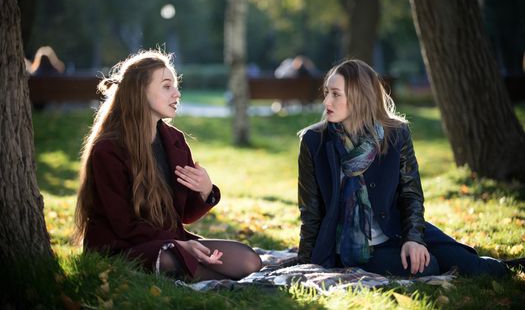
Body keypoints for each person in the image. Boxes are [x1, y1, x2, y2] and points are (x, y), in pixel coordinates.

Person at [297, 59, 522, 277]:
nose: (326, 102)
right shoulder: (313, 141)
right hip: (354, 250)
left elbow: (410, 193)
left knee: (475, 267)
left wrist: (414, 238)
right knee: (427, 267)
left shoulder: (396, 134)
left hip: (398, 227)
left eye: (336, 94)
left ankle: (506, 267)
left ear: (360, 97)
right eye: (327, 92)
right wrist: (305, 262)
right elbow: (311, 212)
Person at [74, 50, 261, 281]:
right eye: (166, 86)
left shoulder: (175, 141)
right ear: (140, 91)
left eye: (175, 86)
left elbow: (184, 215)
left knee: (248, 259)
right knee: (174, 260)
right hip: (121, 247)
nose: (177, 93)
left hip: (171, 242)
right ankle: (203, 273)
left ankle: (196, 268)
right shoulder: (109, 150)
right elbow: (123, 226)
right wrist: (177, 245)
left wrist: (205, 191)